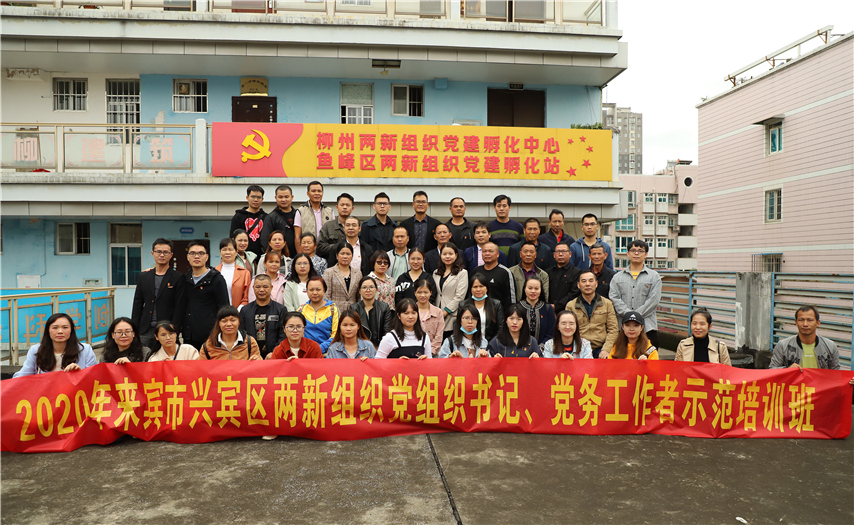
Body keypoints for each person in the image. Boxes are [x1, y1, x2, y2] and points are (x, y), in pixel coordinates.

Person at [132, 238, 186, 349]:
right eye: (158, 252)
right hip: (145, 329)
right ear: (153, 253)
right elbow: (137, 303)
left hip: (167, 329)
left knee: (167, 357)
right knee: (142, 357)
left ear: (171, 255)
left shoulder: (178, 277)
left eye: (165, 252)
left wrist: (174, 329)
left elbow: (180, 306)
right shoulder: (144, 276)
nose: (162, 255)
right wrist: (134, 327)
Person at [609, 239, 662, 348]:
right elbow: (614, 298)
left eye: (640, 251)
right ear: (628, 253)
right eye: (633, 250)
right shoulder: (617, 277)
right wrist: (628, 316)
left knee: (649, 356)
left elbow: (654, 300)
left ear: (646, 254)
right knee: (622, 356)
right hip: (622, 328)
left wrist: (635, 316)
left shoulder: (654, 277)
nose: (636, 253)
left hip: (647, 327)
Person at [13, 313, 98, 377]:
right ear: (48, 331)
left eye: (65, 327)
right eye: (55, 328)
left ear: (71, 330)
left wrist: (80, 373)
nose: (60, 331)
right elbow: (21, 377)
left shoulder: (85, 350)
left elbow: (95, 377)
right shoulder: (36, 350)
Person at [183, 240, 230, 350]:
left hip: (210, 335)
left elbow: (223, 307)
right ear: (188, 257)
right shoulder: (185, 279)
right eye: (193, 253)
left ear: (207, 257)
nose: (196, 256)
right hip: (189, 335)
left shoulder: (216, 279)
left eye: (201, 253)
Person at [770, 305, 842, 370]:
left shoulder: (830, 347)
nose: (805, 324)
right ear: (796, 322)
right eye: (801, 320)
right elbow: (772, 370)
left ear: (818, 323)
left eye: (810, 320)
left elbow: (836, 373)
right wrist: (787, 369)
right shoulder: (783, 345)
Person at [567, 270, 619, 359]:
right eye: (584, 281)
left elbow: (613, 330)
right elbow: (568, 330)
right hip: (579, 349)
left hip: (601, 349)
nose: (587, 284)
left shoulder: (607, 304)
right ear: (578, 285)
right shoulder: (571, 305)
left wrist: (606, 349)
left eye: (591, 281)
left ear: (596, 283)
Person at [239, 274, 286, 359]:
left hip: (274, 355)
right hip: (251, 355)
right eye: (258, 287)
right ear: (253, 288)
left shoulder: (280, 309)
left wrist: (274, 352)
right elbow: (241, 334)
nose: (261, 290)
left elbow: (283, 334)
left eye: (265, 287)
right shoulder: (245, 310)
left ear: (271, 288)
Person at [433, 242, 468, 340]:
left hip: (452, 316)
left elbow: (460, 296)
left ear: (456, 255)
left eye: (450, 254)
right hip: (436, 316)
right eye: (444, 254)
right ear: (440, 255)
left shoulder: (462, 273)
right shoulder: (436, 273)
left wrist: (445, 312)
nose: (447, 256)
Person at [297, 276, 339, 353]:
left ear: (324, 290)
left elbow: (336, 335)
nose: (315, 293)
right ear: (306, 291)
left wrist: (319, 348)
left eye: (318, 289)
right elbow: (297, 334)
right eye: (311, 290)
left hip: (328, 354)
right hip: (305, 353)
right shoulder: (301, 310)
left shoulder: (333, 309)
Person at [351, 276, 393, 350]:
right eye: (364, 287)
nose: (368, 290)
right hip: (360, 348)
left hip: (380, 347)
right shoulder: (354, 308)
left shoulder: (384, 307)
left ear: (376, 289)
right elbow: (353, 332)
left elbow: (387, 331)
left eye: (371, 287)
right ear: (359, 291)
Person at [462, 272, 504, 342]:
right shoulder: (463, 305)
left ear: (487, 288)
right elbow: (459, 326)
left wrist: (492, 344)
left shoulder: (496, 304)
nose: (478, 289)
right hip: (468, 343)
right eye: (475, 287)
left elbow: (501, 328)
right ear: (470, 289)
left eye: (481, 286)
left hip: (490, 343)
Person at [474, 242, 516, 310]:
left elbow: (511, 299)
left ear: (497, 254)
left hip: (499, 312)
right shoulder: (476, 271)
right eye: (484, 251)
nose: (487, 253)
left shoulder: (505, 272)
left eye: (491, 251)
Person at [260, 184, 299, 257]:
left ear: (292, 197)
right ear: (276, 198)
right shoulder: (271, 217)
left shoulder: (298, 214)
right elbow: (265, 240)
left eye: (286, 197)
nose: (283, 200)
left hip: (298, 257)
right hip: (278, 258)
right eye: (280, 197)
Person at [323, 242, 362, 313]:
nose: (345, 256)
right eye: (342, 253)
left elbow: (359, 297)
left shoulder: (358, 273)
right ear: (337, 256)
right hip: (335, 312)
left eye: (348, 254)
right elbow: (326, 296)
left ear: (352, 256)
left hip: (353, 313)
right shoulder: (329, 272)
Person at [229, 184, 267, 257]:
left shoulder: (267, 217)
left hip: (262, 257)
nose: (256, 200)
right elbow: (232, 239)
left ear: (262, 199)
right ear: (247, 197)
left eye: (259, 197)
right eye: (253, 196)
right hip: (243, 256)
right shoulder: (238, 217)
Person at [215, 237, 251, 308]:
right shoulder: (213, 272)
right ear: (220, 252)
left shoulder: (245, 273)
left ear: (236, 252)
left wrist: (239, 310)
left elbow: (247, 297)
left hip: (238, 311)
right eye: (224, 250)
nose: (227, 252)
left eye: (230, 249)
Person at [318, 192, 355, 260]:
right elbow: (320, 247)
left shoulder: (356, 227)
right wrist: (338, 247)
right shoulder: (328, 226)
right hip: (333, 263)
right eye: (342, 205)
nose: (345, 207)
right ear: (337, 207)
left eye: (347, 205)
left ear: (352, 208)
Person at [518, 276, 555, 345]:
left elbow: (551, 333)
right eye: (530, 288)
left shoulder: (548, 308)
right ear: (525, 289)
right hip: (520, 347)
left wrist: (541, 347)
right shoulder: (517, 307)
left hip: (543, 348)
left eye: (536, 288)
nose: (533, 291)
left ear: (541, 290)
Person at [414, 278, 444, 357]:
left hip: (433, 354)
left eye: (426, 292)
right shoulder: (411, 312)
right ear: (415, 293)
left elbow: (439, 336)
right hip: (414, 353)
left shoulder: (438, 312)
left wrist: (429, 353)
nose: (422, 295)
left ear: (430, 293)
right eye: (419, 292)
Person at [547, 241, 580, 313]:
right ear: (554, 255)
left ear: (570, 254)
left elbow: (574, 293)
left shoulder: (577, 273)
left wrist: (556, 306)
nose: (561, 254)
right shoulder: (547, 272)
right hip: (548, 310)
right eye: (558, 252)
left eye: (564, 251)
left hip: (568, 311)